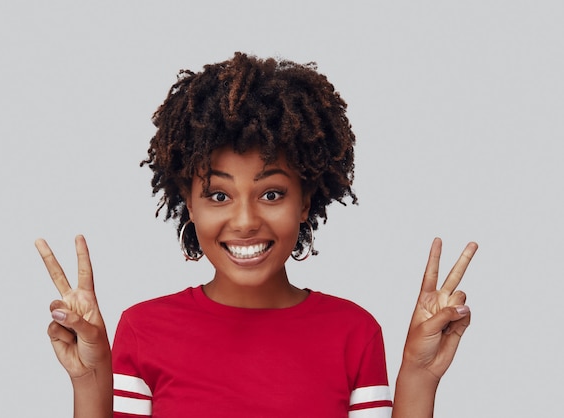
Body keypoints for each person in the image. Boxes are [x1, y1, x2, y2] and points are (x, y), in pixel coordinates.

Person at [35, 52, 478, 418]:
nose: (245, 220)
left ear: (304, 201)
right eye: (218, 195)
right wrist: (89, 380)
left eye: (271, 193)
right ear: (189, 204)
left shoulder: (353, 333)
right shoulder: (143, 330)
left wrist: (420, 375)